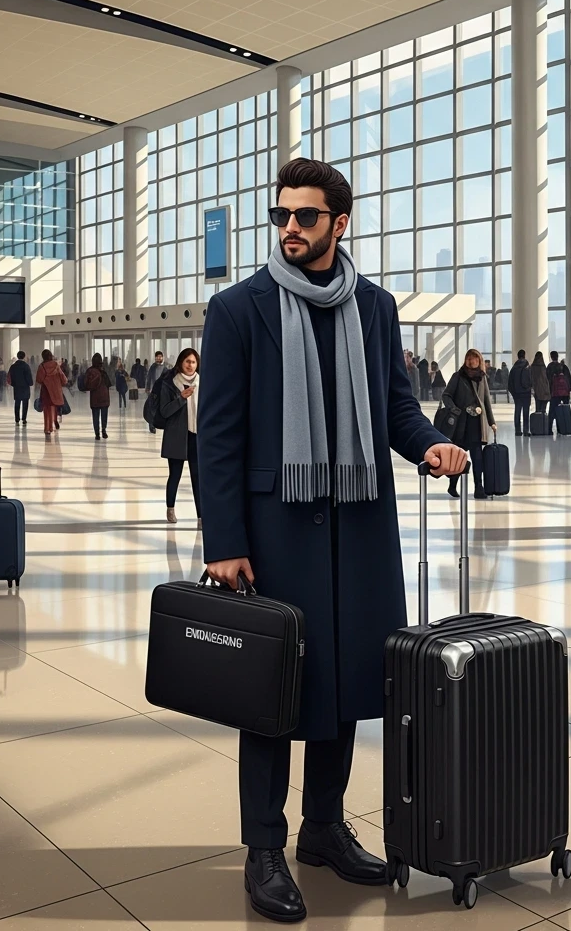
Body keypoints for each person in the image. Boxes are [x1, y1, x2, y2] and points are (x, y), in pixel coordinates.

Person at [197, 157, 467, 923]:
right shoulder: (239, 310)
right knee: (272, 693)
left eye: (305, 216)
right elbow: (218, 437)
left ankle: (322, 829)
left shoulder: (376, 308)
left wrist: (431, 446)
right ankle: (263, 847)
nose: (290, 227)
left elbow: (396, 408)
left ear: (339, 224)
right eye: (281, 215)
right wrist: (224, 540)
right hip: (274, 532)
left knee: (346, 685)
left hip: (359, 528)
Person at [441, 349, 497, 500]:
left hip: (477, 423)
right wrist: (454, 409)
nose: (471, 362)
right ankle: (453, 485)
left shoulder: (482, 377)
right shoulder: (458, 376)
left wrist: (491, 421)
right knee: (459, 456)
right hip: (462, 424)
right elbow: (446, 395)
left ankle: (479, 487)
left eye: (474, 359)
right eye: (469, 359)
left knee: (477, 457)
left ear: (479, 361)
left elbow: (486, 401)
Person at [160, 348, 201, 525]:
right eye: (187, 361)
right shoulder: (170, 383)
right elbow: (165, 411)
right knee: (175, 475)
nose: (190, 365)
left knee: (198, 478)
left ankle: (201, 516)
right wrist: (181, 398)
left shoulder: (203, 382)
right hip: (176, 436)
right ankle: (170, 509)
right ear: (180, 363)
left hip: (197, 436)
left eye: (193, 362)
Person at [34, 349, 67, 436]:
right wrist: (64, 382)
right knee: (53, 407)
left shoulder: (42, 366)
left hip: (46, 390)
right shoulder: (55, 365)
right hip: (56, 389)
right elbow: (62, 376)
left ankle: (47, 428)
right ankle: (52, 426)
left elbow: (38, 379)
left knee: (46, 408)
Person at [83, 353, 112, 440]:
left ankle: (97, 434)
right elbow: (109, 383)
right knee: (104, 415)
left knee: (95, 415)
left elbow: (85, 383)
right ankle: (104, 431)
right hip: (104, 397)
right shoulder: (103, 371)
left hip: (94, 397)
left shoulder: (89, 371)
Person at [546, 350, 571, 433]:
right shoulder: (563, 366)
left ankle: (549, 429)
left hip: (554, 392)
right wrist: (570, 389)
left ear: (551, 357)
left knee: (552, 410)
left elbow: (547, 379)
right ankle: (562, 428)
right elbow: (568, 378)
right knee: (564, 411)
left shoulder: (549, 367)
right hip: (564, 393)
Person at [508, 349, 533, 436]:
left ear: (518, 356)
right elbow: (531, 380)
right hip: (526, 392)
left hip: (517, 394)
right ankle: (526, 430)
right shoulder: (528, 367)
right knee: (526, 412)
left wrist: (514, 393)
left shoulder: (514, 369)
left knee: (517, 411)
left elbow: (509, 383)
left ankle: (517, 430)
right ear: (524, 355)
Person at [7, 351, 33, 425]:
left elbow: (10, 376)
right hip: (25, 388)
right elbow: (29, 377)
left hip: (17, 387)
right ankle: (24, 418)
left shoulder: (13, 366)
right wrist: (30, 383)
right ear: (24, 357)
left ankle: (17, 418)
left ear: (17, 356)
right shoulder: (26, 366)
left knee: (17, 403)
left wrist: (13, 384)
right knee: (25, 403)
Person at [146, 350, 169, 434]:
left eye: (160, 356)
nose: (158, 358)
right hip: (153, 391)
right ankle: (151, 426)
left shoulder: (165, 367)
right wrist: (148, 388)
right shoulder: (152, 367)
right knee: (152, 408)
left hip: (163, 390)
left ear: (162, 357)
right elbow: (149, 378)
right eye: (157, 357)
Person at [529, 350, 550, 420]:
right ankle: (543, 424)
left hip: (537, 391)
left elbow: (531, 378)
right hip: (545, 391)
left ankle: (538, 425)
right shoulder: (544, 367)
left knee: (538, 408)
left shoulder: (532, 367)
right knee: (543, 409)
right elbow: (546, 379)